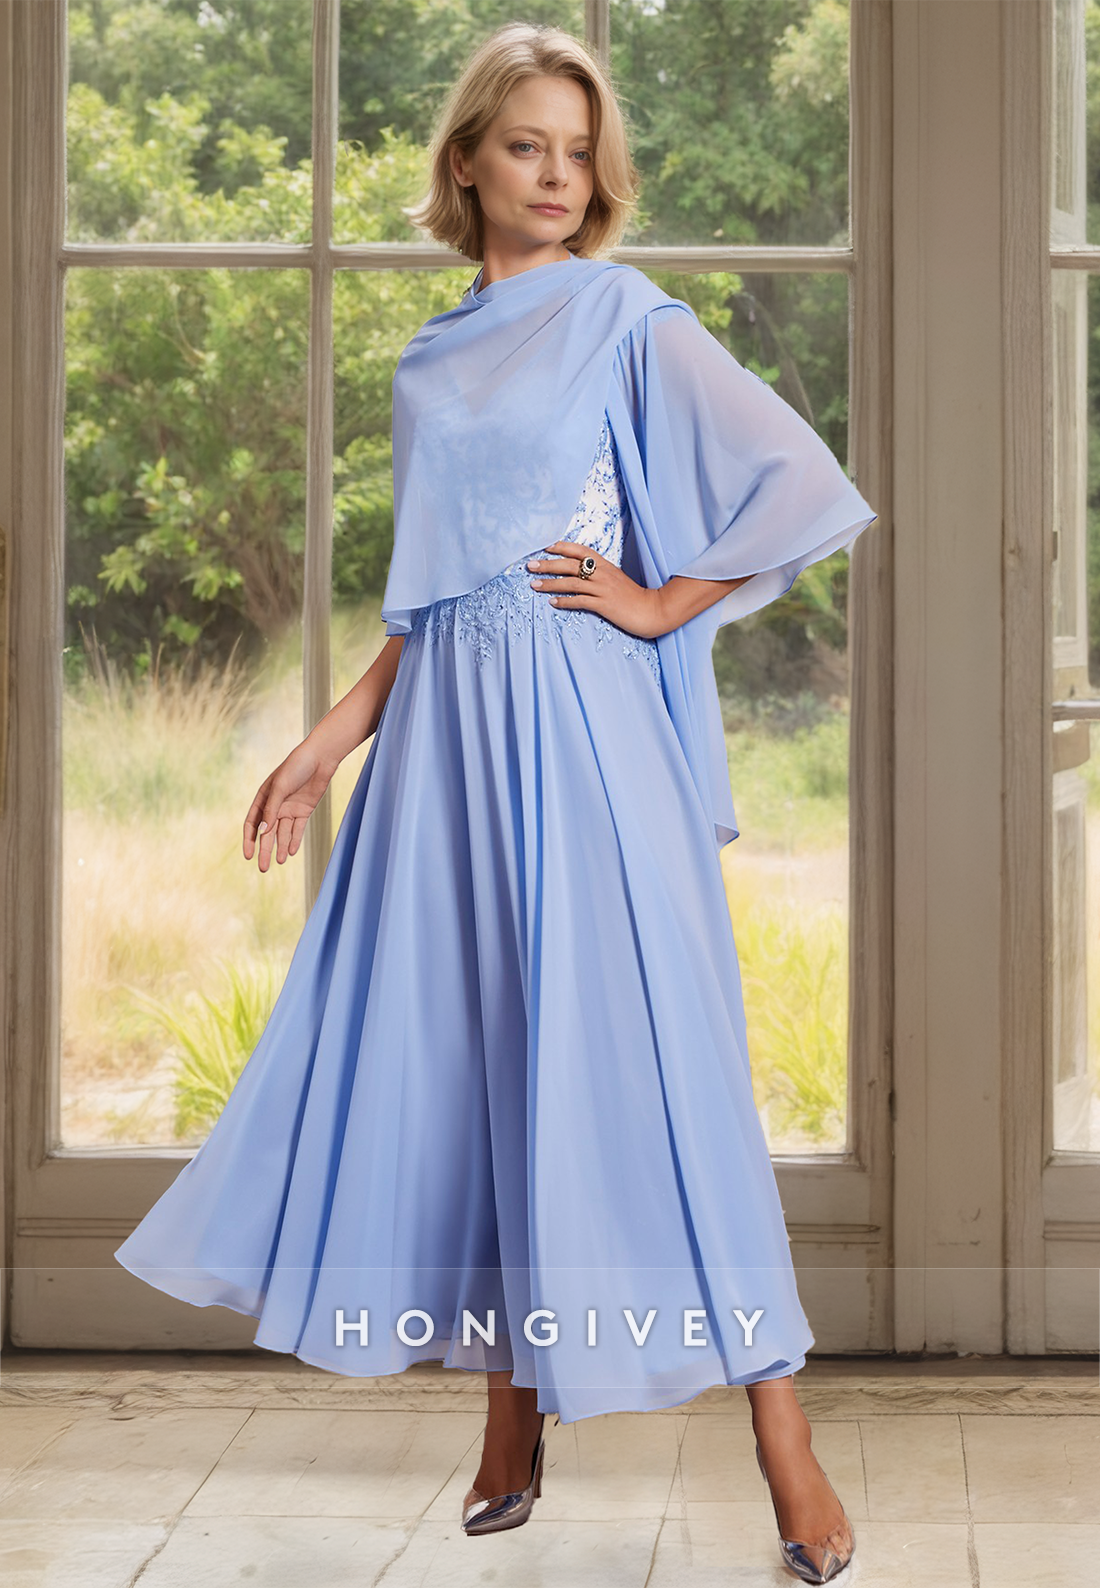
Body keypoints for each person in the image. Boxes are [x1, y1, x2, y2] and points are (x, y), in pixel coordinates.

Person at [114, 21, 876, 1584]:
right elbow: (434, 598)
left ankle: (784, 1436)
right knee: (482, 1067)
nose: (556, 175)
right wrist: (329, 743)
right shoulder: (431, 355)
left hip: (587, 739)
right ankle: (510, 1413)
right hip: (445, 750)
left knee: (659, 1070)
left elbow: (798, 479)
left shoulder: (624, 315)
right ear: (466, 159)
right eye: (527, 145)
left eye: (578, 152)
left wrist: (660, 604)